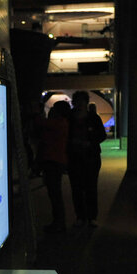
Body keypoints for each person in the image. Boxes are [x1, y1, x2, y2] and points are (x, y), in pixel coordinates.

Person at [68, 90, 106, 227]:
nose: (79, 104)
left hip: (91, 157)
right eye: (77, 102)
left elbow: (102, 135)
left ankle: (91, 216)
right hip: (74, 158)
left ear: (86, 103)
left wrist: (90, 142)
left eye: (82, 102)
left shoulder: (93, 118)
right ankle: (80, 216)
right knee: (76, 188)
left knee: (91, 187)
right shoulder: (70, 118)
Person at [34, 100, 71, 233]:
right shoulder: (62, 123)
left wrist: (37, 112)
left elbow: (40, 123)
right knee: (55, 193)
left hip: (53, 161)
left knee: (54, 194)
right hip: (56, 161)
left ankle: (59, 223)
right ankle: (59, 222)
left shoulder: (58, 123)